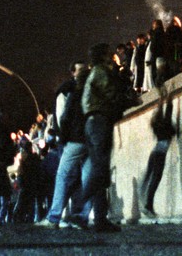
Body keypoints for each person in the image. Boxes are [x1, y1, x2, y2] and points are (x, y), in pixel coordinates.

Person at [77, 43, 125, 232]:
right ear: (103, 56)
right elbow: (111, 95)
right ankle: (80, 207)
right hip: (99, 121)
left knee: (100, 170)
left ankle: (100, 219)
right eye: (108, 54)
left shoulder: (92, 74)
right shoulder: (101, 72)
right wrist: (128, 100)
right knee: (100, 170)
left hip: (92, 122)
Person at [43, 62, 93, 228]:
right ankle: (82, 216)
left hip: (75, 139)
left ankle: (54, 217)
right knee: (87, 178)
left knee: (63, 176)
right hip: (90, 139)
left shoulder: (70, 90)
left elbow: (63, 117)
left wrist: (62, 138)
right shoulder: (92, 88)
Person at [139, 89, 177, 218]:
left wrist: (162, 100)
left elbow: (164, 112)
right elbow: (168, 112)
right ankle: (148, 205)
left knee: (151, 177)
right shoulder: (165, 124)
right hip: (160, 153)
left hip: (155, 152)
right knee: (155, 179)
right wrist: (169, 99)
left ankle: (146, 202)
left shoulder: (157, 125)